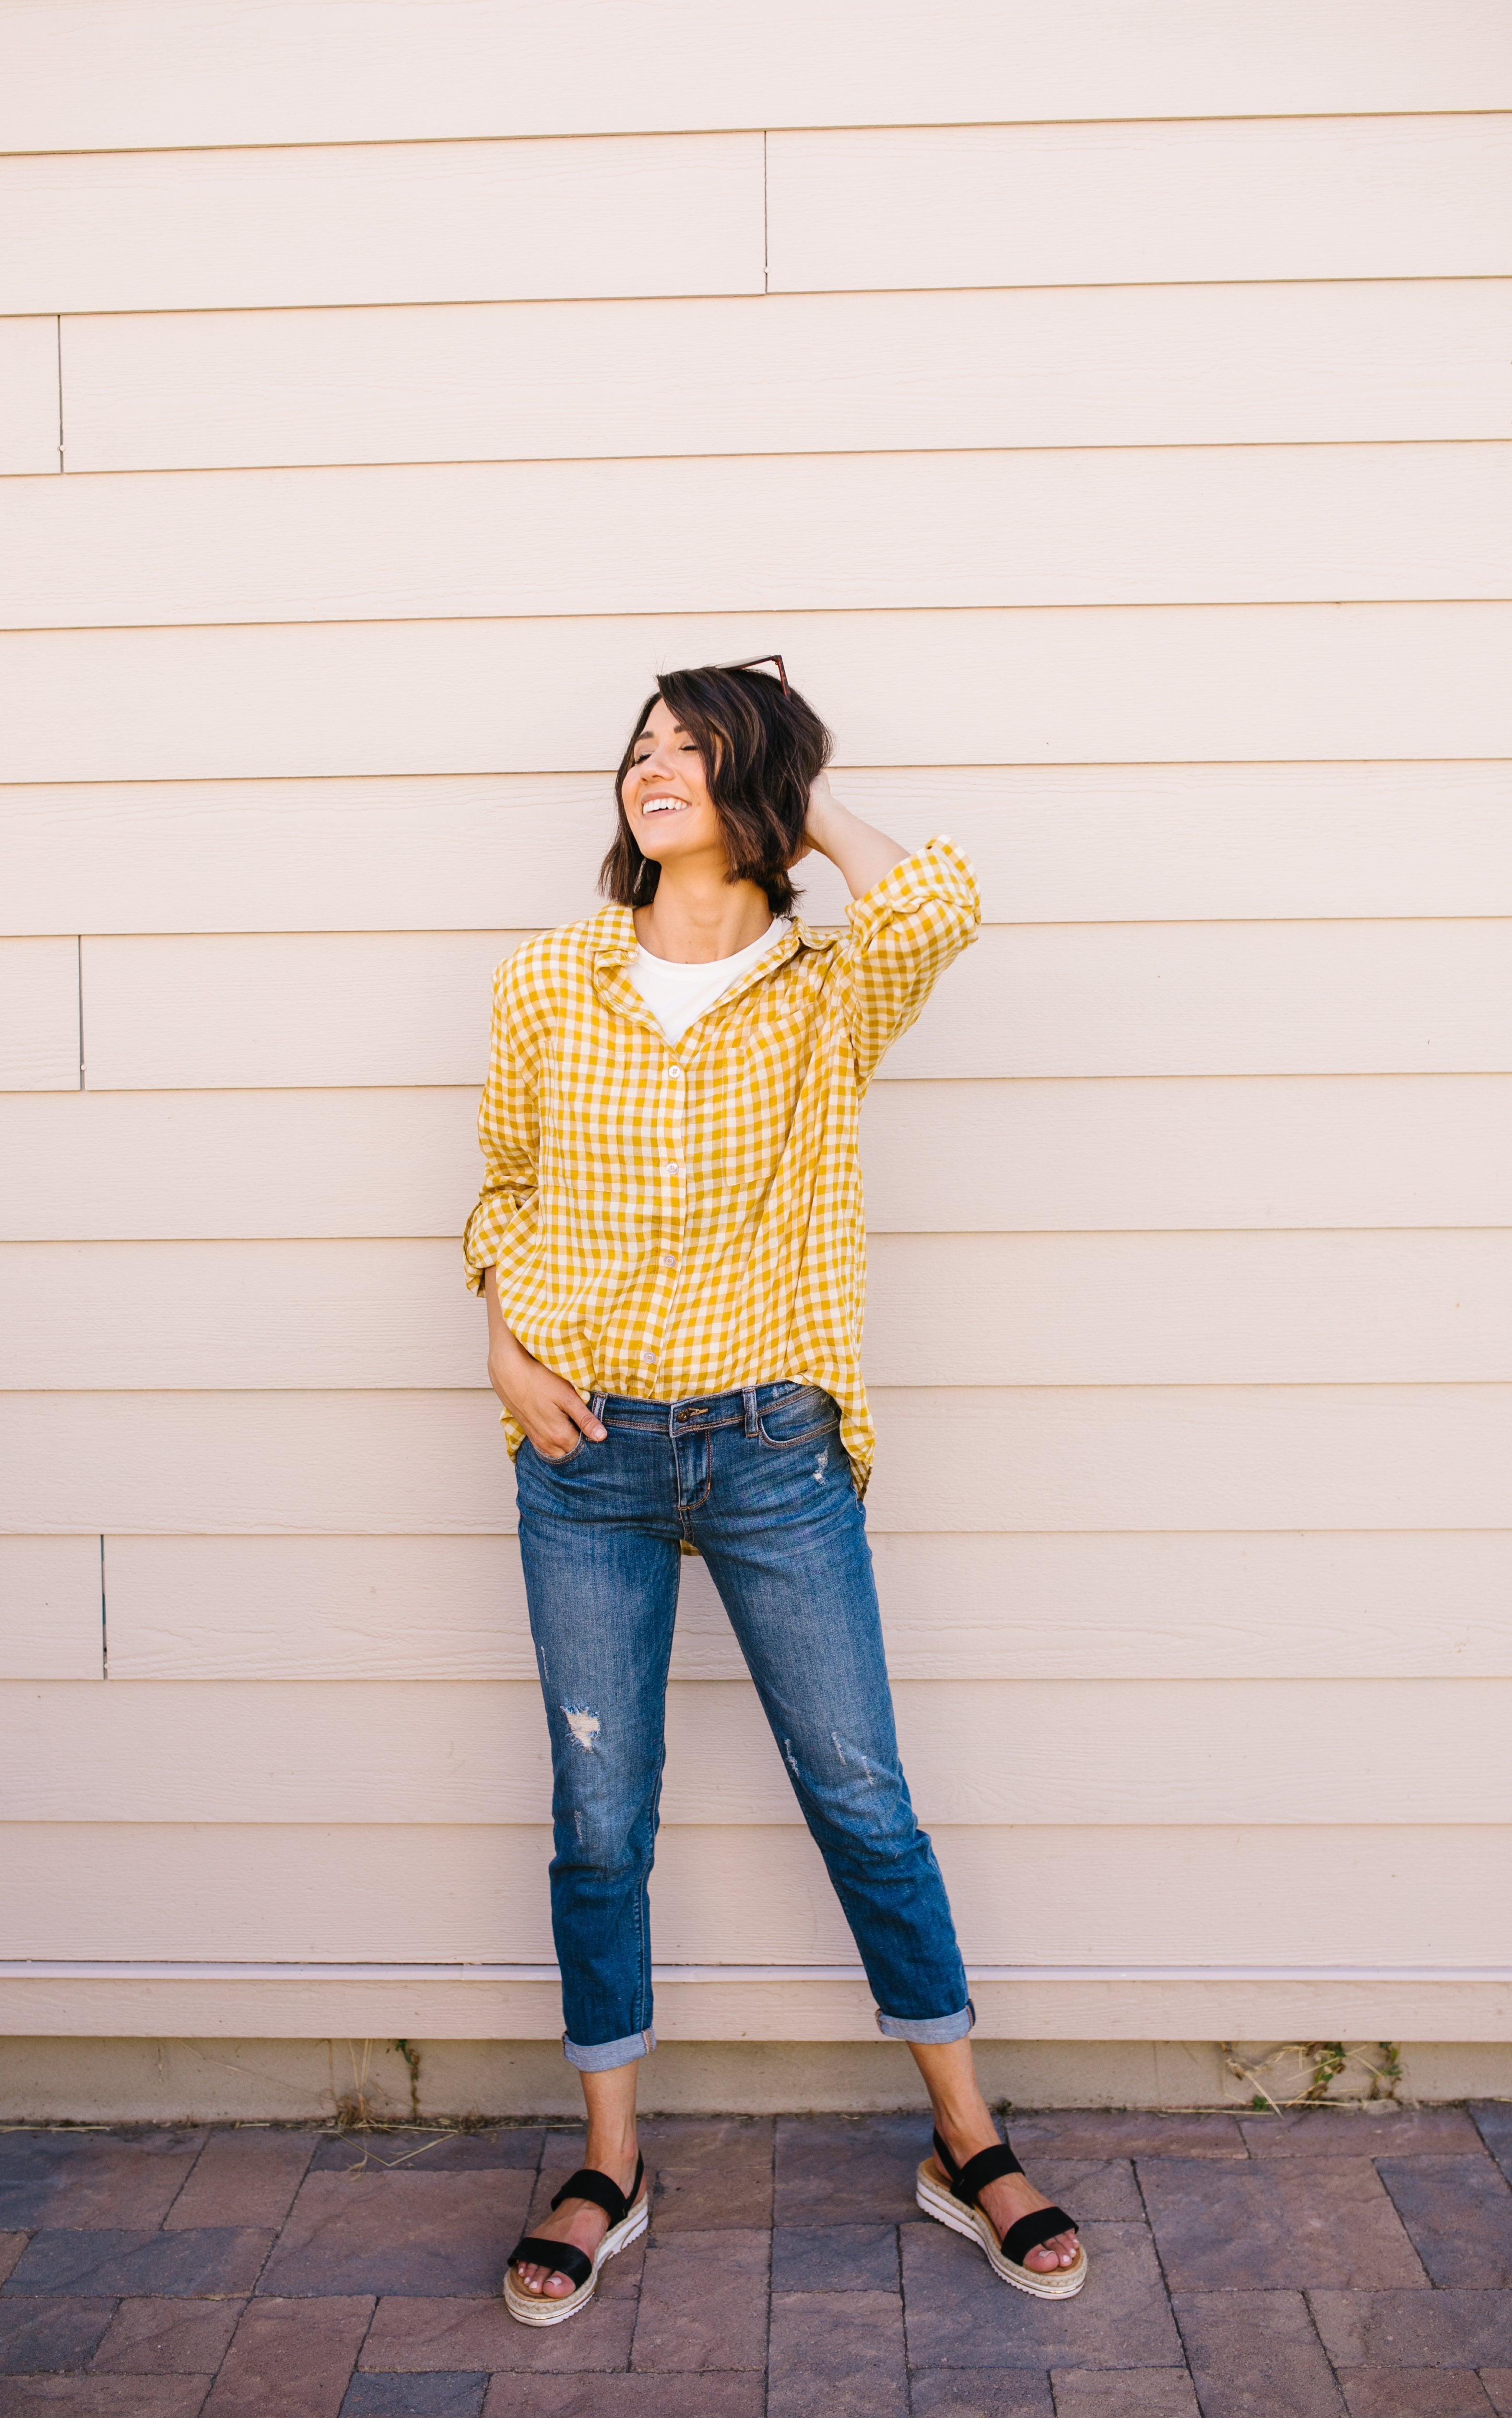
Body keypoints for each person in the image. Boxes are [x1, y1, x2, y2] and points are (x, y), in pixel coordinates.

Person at [464, 659, 1086, 2324]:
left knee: (864, 1798)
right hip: (584, 1459)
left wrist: (784, 775)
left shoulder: (827, 988)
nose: (653, 768)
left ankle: (964, 2142)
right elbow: (505, 1187)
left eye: (692, 749)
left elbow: (943, 901)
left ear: (756, 789)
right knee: (601, 1824)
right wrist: (506, 1354)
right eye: (642, 749)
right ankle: (611, 2164)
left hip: (774, 1451)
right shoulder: (548, 980)